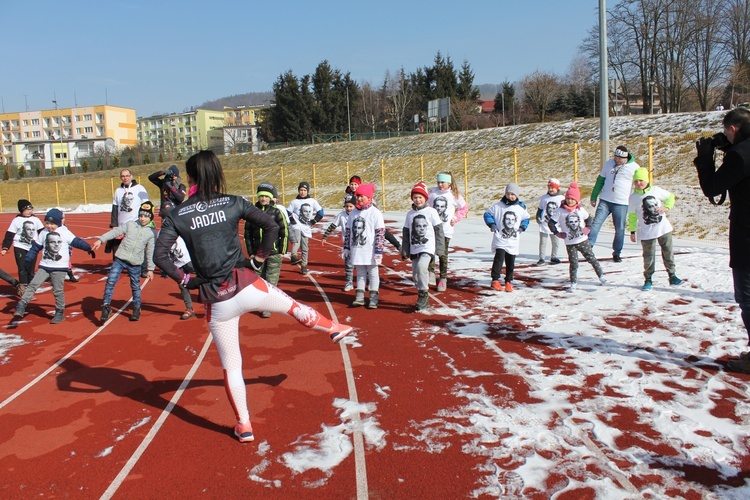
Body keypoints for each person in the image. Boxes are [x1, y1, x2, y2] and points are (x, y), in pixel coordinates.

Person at [153, 150, 352, 444]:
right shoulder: (234, 202)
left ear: (191, 177)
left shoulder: (177, 215)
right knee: (294, 307)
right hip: (247, 286)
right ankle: (333, 328)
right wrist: (258, 258)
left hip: (216, 301)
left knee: (232, 366)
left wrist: (186, 280)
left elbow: (160, 255)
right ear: (217, 173)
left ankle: (244, 425)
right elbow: (271, 225)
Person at [694, 108, 750, 373]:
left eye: (726, 131)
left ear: (734, 129)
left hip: (747, 235)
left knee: (747, 297)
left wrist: (705, 159)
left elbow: (713, 188)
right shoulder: (739, 152)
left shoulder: (740, 155)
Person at [13, 208, 95, 324]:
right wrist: (28, 259)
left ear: (59, 223)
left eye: (52, 224)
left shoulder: (65, 232)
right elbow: (35, 247)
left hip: (59, 267)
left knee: (57, 290)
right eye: (47, 223)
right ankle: (21, 305)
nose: (50, 226)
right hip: (44, 265)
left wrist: (88, 248)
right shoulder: (44, 233)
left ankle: (59, 312)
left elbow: (76, 241)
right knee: (32, 285)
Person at [91, 201, 156, 322]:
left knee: (135, 286)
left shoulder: (151, 233)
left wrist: (150, 269)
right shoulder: (130, 224)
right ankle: (106, 306)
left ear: (151, 217)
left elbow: (151, 251)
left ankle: (137, 307)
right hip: (120, 259)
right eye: (141, 215)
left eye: (146, 216)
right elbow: (115, 232)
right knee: (110, 281)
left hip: (135, 263)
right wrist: (101, 240)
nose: (142, 218)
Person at [627, 168, 683, 291]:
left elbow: (670, 197)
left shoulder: (656, 190)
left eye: (641, 180)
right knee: (648, 256)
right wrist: (632, 231)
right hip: (647, 232)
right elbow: (632, 215)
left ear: (647, 180)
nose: (638, 183)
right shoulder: (633, 198)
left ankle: (672, 275)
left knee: (668, 252)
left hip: (663, 229)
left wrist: (667, 207)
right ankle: (648, 279)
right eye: (636, 181)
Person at [549, 182, 608, 291]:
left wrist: (588, 228)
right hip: (570, 243)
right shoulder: (559, 211)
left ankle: (601, 276)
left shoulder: (580, 210)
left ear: (577, 200)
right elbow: (551, 223)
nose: (570, 201)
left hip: (583, 240)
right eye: (568, 198)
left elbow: (589, 218)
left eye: (572, 199)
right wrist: (557, 233)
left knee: (592, 259)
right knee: (573, 263)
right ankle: (573, 283)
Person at [244, 181, 289, 318]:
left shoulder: (277, 212)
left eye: (266, 196)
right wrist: (251, 252)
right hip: (258, 254)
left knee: (271, 280)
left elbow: (284, 232)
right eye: (261, 196)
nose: (263, 198)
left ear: (271, 197)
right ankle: (259, 302)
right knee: (258, 280)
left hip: (274, 253)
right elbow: (247, 235)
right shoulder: (252, 214)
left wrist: (282, 250)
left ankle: (267, 306)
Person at [588, 146, 641, 262]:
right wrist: (594, 196)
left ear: (626, 157)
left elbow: (640, 183)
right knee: (595, 224)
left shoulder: (634, 167)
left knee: (620, 229)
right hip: (605, 201)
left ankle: (617, 252)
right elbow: (600, 180)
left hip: (621, 203)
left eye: (619, 158)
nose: (617, 160)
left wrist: (639, 199)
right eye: (615, 157)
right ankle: (588, 248)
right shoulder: (609, 164)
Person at [402, 182, 444, 310]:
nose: (418, 200)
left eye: (420, 197)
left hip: (427, 247)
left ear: (425, 198)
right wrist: (405, 250)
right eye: (415, 197)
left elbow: (439, 230)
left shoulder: (431, 212)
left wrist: (440, 248)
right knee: (415, 275)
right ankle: (422, 294)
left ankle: (423, 295)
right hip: (415, 248)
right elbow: (406, 233)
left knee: (421, 267)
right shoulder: (409, 214)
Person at [344, 183, 385, 309]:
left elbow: (380, 233)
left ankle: (373, 297)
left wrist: (378, 251)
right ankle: (360, 296)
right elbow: (348, 231)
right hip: (357, 250)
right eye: (358, 196)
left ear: (369, 197)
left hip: (370, 250)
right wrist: (346, 247)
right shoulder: (353, 213)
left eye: (362, 196)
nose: (359, 199)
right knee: (360, 273)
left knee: (373, 273)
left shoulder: (375, 213)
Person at [484, 183, 530, 292]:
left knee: (510, 261)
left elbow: (526, 218)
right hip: (500, 238)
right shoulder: (498, 206)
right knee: (499, 258)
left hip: (513, 240)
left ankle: (508, 281)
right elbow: (487, 214)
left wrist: (522, 228)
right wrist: (492, 224)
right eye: (508, 194)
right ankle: (495, 280)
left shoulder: (520, 208)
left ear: (517, 195)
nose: (510, 196)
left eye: (513, 194)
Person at [427, 171, 469, 291]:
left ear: (449, 183)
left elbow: (464, 208)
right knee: (430, 250)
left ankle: (443, 279)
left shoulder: (454, 195)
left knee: (442, 254)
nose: (440, 185)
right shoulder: (432, 192)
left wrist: (455, 218)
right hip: (432, 228)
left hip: (445, 230)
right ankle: (430, 273)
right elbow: (424, 201)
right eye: (439, 182)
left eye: (443, 182)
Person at [345, 175, 401, 252]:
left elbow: (372, 205)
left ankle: (398, 246)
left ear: (359, 185)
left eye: (355, 184)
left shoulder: (365, 193)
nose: (353, 186)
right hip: (356, 220)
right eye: (351, 184)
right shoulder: (348, 196)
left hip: (368, 219)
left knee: (383, 232)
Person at [2, 199, 44, 294]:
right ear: (21, 210)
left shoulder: (36, 220)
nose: (30, 211)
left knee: (31, 269)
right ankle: (23, 287)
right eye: (27, 209)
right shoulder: (16, 220)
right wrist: (5, 247)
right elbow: (10, 235)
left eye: (31, 209)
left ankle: (30, 287)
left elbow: (42, 232)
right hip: (19, 247)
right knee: (22, 268)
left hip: (33, 248)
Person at [108, 169, 150, 258]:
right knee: (117, 248)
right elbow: (115, 208)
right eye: (123, 176)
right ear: (120, 178)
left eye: (127, 176)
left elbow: (147, 205)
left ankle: (143, 268)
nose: (125, 178)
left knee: (137, 247)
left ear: (131, 176)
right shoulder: (118, 191)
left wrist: (145, 221)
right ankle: (118, 265)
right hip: (121, 225)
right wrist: (114, 224)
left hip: (136, 224)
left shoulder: (139, 188)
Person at [287, 181, 323, 275]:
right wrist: (292, 220)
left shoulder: (312, 201)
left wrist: (313, 221)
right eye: (301, 190)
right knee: (297, 238)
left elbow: (321, 212)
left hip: (306, 227)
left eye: (304, 190)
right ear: (298, 191)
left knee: (305, 247)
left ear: (307, 191)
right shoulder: (294, 202)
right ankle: (294, 255)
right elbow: (287, 212)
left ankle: (304, 265)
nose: (302, 192)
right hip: (296, 224)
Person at [322, 194, 356, 292]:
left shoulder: (358, 214)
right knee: (348, 264)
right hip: (347, 244)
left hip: (358, 244)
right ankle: (349, 282)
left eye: (351, 206)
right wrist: (325, 236)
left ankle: (366, 281)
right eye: (347, 206)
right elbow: (333, 225)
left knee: (361, 264)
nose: (348, 208)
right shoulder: (341, 215)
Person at [536, 179, 564, 266]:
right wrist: (538, 216)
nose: (551, 189)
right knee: (543, 242)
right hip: (544, 223)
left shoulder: (561, 198)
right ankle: (542, 258)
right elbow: (540, 209)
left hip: (555, 224)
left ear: (557, 188)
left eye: (553, 188)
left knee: (555, 241)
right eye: (549, 187)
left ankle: (554, 256)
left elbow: (563, 211)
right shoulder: (544, 198)